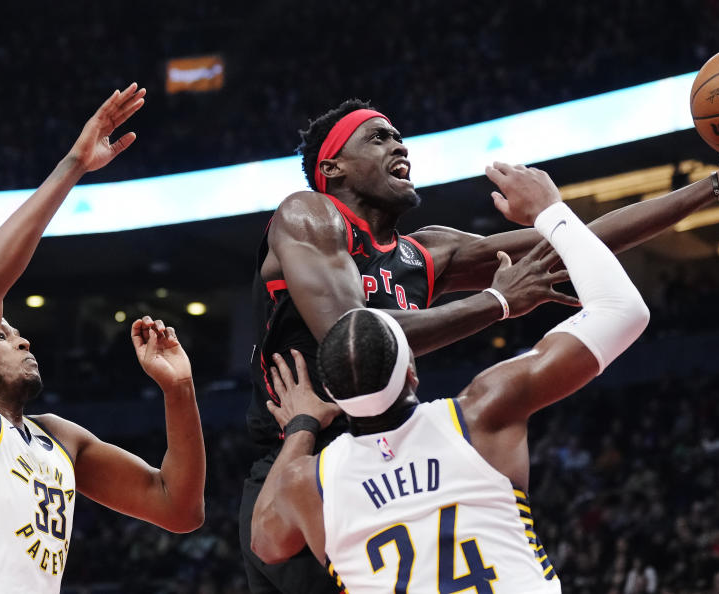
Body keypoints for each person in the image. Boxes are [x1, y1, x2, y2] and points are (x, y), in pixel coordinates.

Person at [240, 99, 719, 592]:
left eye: (398, 133)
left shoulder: (426, 252)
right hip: (301, 459)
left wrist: (716, 185)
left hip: (388, 448)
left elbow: (580, 241)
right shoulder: (308, 213)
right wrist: (499, 302)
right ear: (332, 166)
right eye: (378, 136)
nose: (399, 143)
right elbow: (354, 332)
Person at [250, 162, 650, 592]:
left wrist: (302, 426)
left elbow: (266, 542)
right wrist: (551, 211)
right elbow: (622, 311)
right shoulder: (483, 413)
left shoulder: (311, 482)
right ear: (411, 371)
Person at [0, 84, 207, 593]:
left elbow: (178, 508)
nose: (24, 342)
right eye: (4, 337)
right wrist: (74, 164)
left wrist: (178, 392)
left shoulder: (59, 440)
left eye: (20, 335)